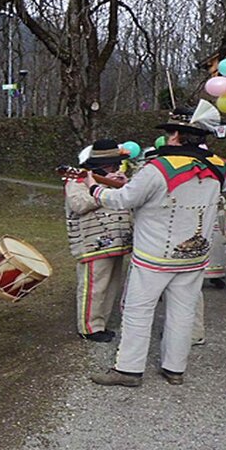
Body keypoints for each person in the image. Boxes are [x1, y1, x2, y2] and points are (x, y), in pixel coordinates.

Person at [85, 103, 226, 387]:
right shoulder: (221, 167)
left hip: (155, 256)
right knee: (182, 312)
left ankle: (129, 369)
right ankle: (175, 368)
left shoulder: (158, 167)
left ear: (176, 135)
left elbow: (122, 200)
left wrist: (94, 187)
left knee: (138, 310)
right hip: (195, 256)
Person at [64, 139, 132, 342]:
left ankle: (101, 322)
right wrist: (105, 190)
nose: (117, 168)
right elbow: (79, 204)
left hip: (118, 240)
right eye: (113, 164)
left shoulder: (117, 180)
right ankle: (88, 327)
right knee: (93, 285)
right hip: (93, 242)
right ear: (100, 166)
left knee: (111, 285)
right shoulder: (78, 180)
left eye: (118, 164)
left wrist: (123, 185)